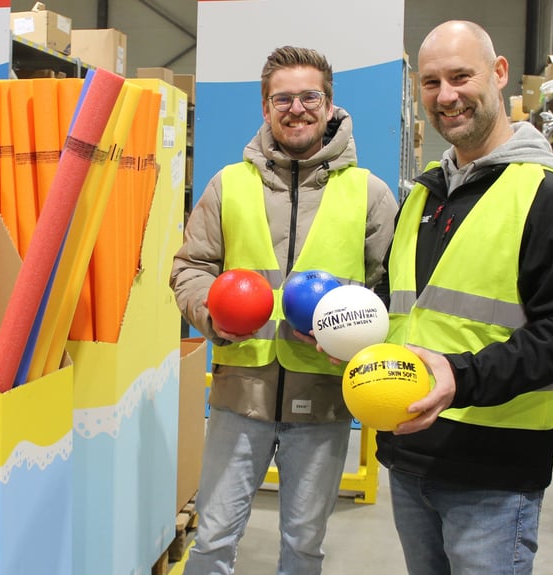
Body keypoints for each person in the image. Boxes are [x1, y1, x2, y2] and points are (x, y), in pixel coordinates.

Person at [379, 20, 553, 575]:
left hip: (493, 470)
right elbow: (404, 303)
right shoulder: (426, 195)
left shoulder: (547, 197)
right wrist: (348, 319)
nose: (446, 96)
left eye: (461, 77)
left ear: (499, 73)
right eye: (431, 83)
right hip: (411, 453)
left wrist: (463, 376)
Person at [169, 46, 398, 574]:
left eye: (308, 96)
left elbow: (392, 289)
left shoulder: (370, 194)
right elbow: (189, 267)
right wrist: (212, 313)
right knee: (213, 538)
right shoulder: (229, 185)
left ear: (330, 104)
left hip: (323, 399)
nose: (296, 108)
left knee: (303, 545)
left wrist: (360, 339)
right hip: (238, 396)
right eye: (282, 99)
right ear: (266, 108)